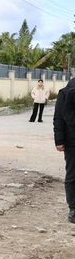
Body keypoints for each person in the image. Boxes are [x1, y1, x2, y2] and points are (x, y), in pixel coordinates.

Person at [53, 78, 75, 224]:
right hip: (72, 141)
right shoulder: (65, 93)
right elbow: (58, 118)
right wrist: (59, 140)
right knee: (72, 174)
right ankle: (73, 208)